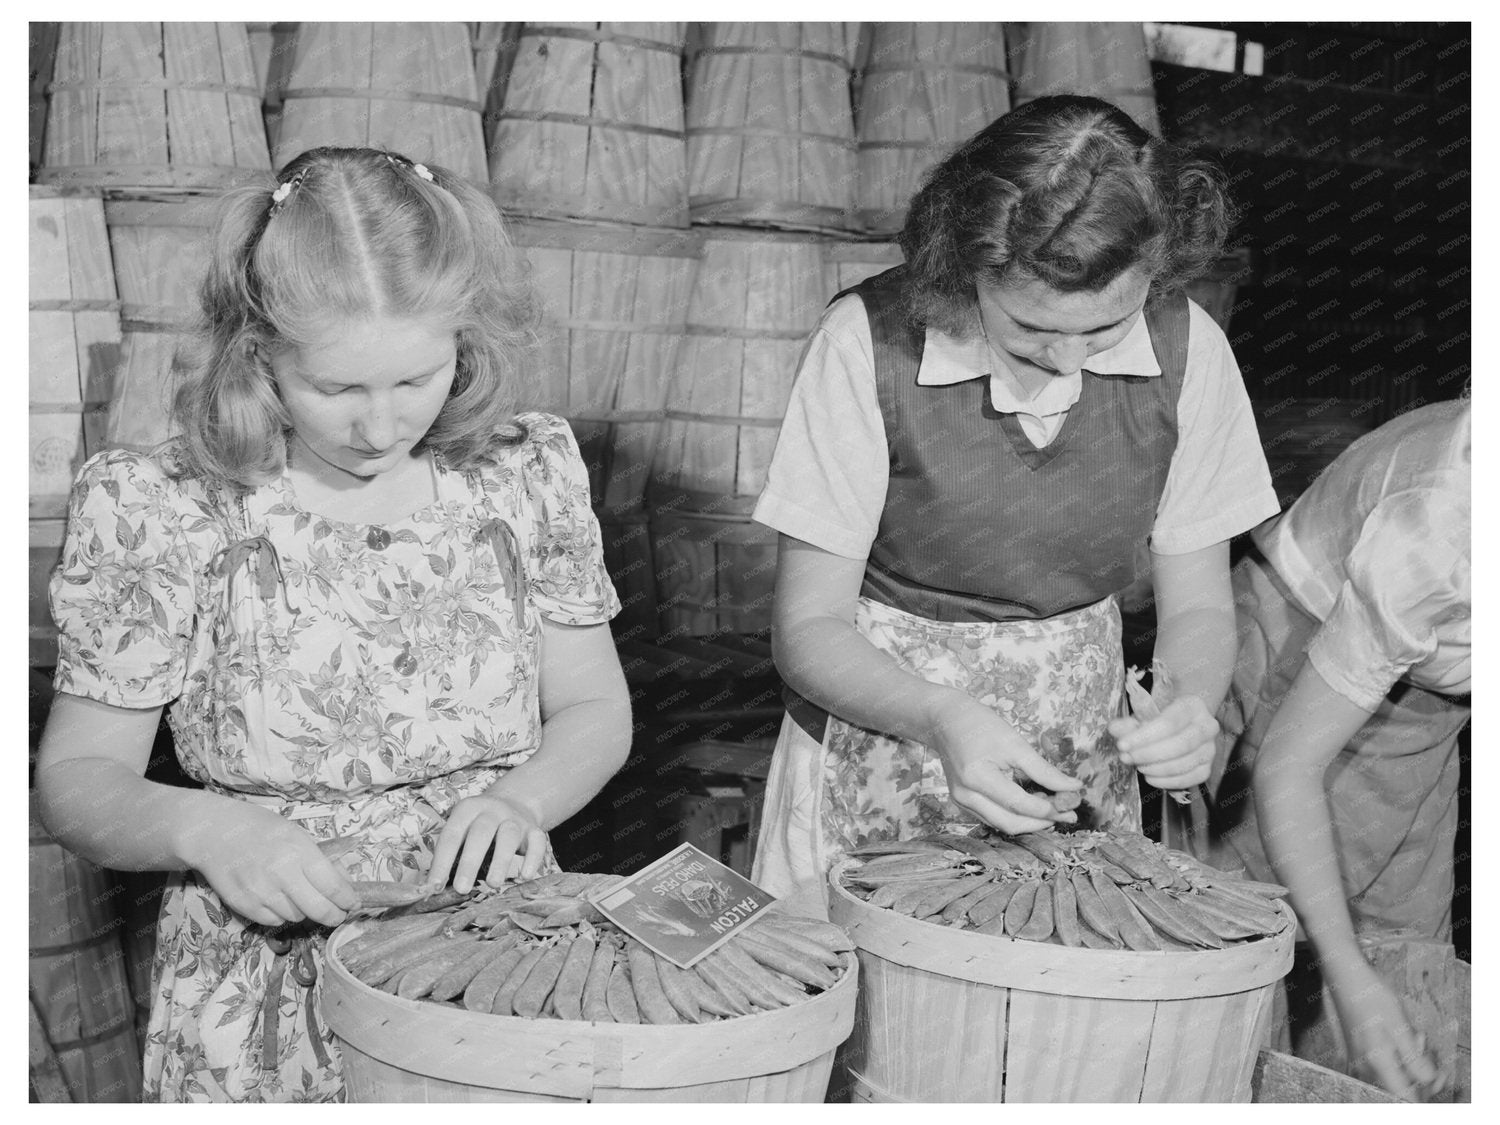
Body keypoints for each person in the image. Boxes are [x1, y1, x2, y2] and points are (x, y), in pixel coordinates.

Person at [34, 147, 632, 1102]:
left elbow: (596, 708)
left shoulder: (523, 474)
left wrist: (524, 803)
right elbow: (74, 781)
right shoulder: (164, 505)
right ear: (255, 350)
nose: (381, 424)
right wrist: (203, 826)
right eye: (338, 389)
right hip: (258, 989)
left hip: (491, 961)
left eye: (418, 377)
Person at [749, 95, 1281, 905]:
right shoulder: (869, 344)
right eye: (1031, 328)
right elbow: (807, 628)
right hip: (885, 742)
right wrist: (939, 717)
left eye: (1104, 329)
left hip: (1077, 751)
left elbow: (1201, 605)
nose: (1067, 361)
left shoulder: (1189, 349)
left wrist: (1190, 704)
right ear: (968, 267)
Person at [1190, 397, 1470, 1100]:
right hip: (1304, 665)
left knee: (1410, 978)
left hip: (1430, 706)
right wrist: (1350, 982)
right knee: (1254, 968)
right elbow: (1288, 768)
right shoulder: (1443, 528)